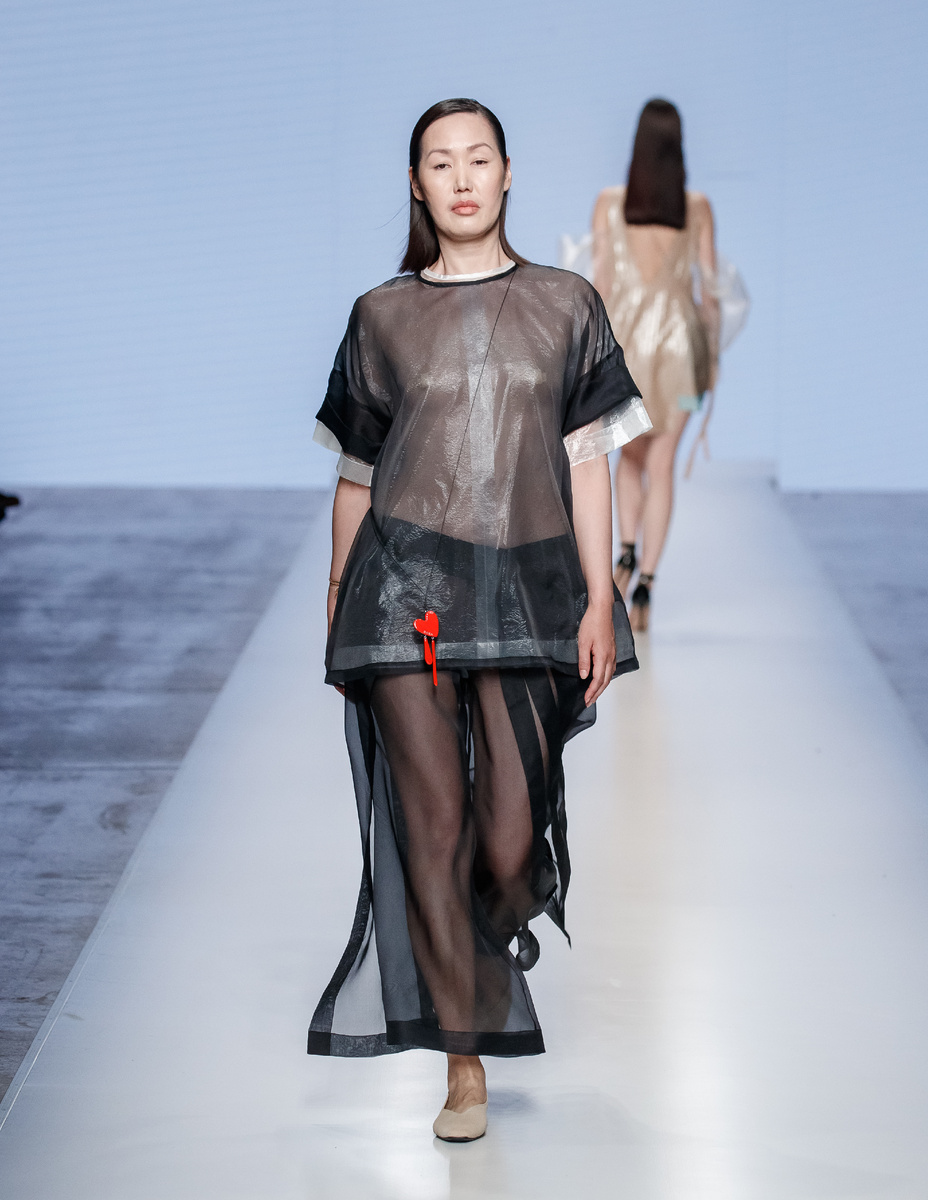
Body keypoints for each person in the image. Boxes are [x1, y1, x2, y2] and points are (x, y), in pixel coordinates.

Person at [307, 97, 651, 1142]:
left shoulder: (565, 302)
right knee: (434, 827)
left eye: (478, 158)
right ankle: (463, 1069)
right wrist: (338, 597)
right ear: (416, 185)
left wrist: (600, 596)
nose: (461, 178)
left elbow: (588, 465)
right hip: (402, 594)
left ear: (507, 174)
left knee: (505, 845)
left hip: (525, 592)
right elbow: (358, 475)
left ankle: (493, 924)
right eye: (439, 162)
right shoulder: (380, 314)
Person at [592, 99, 719, 631]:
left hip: (628, 352)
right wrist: (713, 364)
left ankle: (624, 552)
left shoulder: (609, 204)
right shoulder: (698, 208)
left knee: (631, 458)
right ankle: (646, 583)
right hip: (683, 355)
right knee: (663, 463)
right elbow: (709, 294)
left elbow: (600, 286)